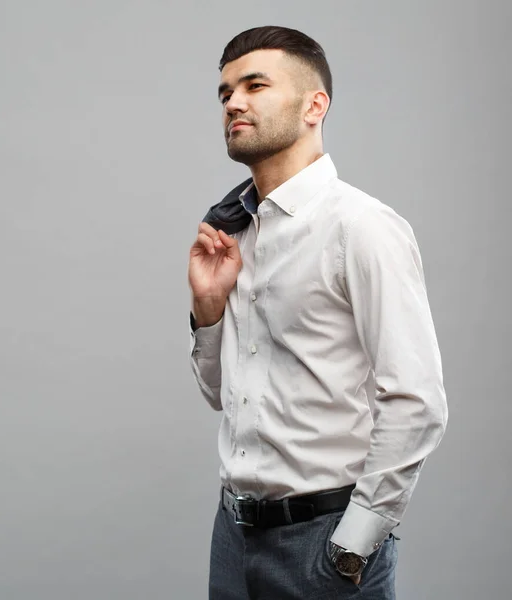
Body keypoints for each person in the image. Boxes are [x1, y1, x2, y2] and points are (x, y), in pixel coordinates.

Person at [187, 25, 447, 600]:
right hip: (232, 537)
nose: (234, 101)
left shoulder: (362, 227)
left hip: (324, 542)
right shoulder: (235, 235)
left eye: (255, 84)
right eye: (226, 91)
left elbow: (417, 401)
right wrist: (208, 310)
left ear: (315, 105)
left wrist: (354, 543)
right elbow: (220, 395)